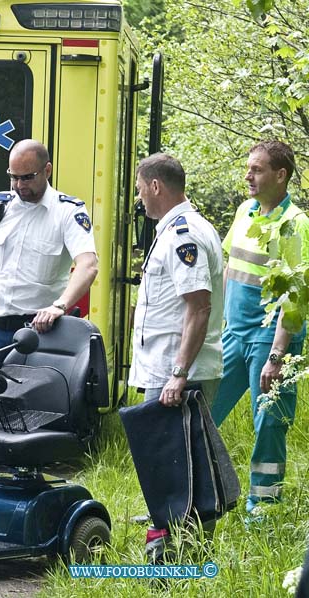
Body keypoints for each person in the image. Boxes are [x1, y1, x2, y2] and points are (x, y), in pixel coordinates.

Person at [0, 139, 98, 531]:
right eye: (12, 176)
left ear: (47, 170)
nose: (19, 185)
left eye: (26, 177)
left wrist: (60, 305)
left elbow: (88, 265)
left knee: (21, 432)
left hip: (32, 338)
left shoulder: (67, 213)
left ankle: (14, 524)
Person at [127, 153, 224, 560]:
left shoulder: (184, 234)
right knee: (176, 467)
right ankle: (179, 550)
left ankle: (173, 559)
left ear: (155, 186)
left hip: (177, 372)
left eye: (139, 190)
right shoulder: (175, 230)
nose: (139, 200)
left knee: (175, 468)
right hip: (168, 369)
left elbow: (197, 307)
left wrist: (179, 373)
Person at [211, 140, 309, 517]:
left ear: (280, 175)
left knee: (268, 425)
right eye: (248, 168)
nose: (248, 176)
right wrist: (214, 329)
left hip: (271, 341)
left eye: (257, 169)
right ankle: (197, 498)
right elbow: (228, 271)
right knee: (200, 415)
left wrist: (277, 355)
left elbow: (296, 298)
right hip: (233, 335)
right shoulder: (244, 211)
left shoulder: (295, 225)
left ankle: (263, 513)